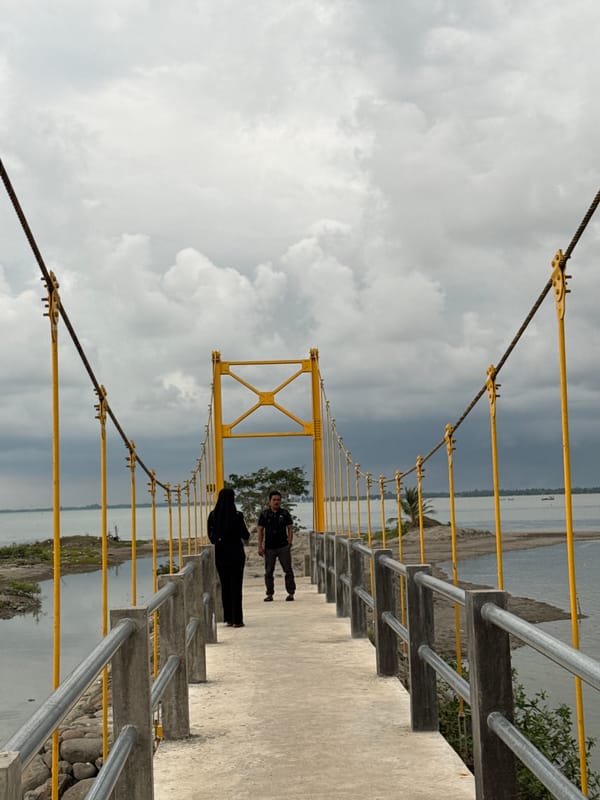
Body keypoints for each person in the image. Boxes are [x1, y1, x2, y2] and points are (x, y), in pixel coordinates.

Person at [207, 487, 250, 627]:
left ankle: (229, 618)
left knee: (225, 586)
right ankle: (237, 619)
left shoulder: (213, 516)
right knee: (236, 586)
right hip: (236, 554)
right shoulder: (237, 516)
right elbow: (245, 535)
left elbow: (211, 538)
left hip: (221, 555)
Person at [257, 490, 296, 602]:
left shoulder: (284, 513)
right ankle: (269, 594)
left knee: (288, 570)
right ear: (270, 501)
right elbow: (260, 530)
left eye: (278, 500)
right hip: (269, 547)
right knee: (269, 571)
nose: (276, 502)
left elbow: (290, 528)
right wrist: (260, 546)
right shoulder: (264, 514)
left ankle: (291, 593)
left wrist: (289, 542)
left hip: (283, 546)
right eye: (274, 500)